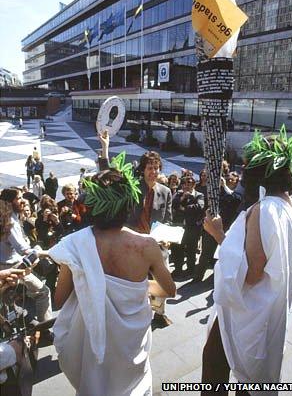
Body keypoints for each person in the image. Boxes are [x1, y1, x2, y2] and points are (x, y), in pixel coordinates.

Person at [48, 147, 176, 396]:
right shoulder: (147, 245)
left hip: (92, 341)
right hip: (132, 341)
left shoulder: (76, 245)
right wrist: (142, 286)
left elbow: (59, 299)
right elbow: (169, 290)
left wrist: (87, 279)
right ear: (129, 203)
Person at [200, 126, 292, 394]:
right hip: (270, 306)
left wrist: (219, 235)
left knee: (215, 367)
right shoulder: (290, 204)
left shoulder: (262, 209)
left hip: (247, 310)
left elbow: (252, 272)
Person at [127, 150, 173, 327]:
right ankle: (138, 312)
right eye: (149, 168)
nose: (153, 171)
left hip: (157, 245)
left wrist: (167, 237)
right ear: (143, 169)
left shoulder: (166, 191)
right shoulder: (134, 188)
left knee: (162, 281)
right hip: (135, 245)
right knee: (137, 282)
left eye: (156, 167)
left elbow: (168, 219)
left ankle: (159, 314)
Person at [0, 188, 52, 324]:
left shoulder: (7, 216)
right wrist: (48, 253)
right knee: (43, 292)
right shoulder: (9, 220)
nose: (23, 201)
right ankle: (44, 328)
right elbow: (23, 249)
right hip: (14, 266)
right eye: (19, 198)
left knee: (7, 301)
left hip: (5, 264)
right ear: (10, 202)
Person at [171, 176, 205, 276]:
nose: (187, 185)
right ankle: (178, 269)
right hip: (179, 226)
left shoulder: (199, 195)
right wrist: (183, 198)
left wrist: (184, 208)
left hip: (192, 227)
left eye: (190, 183)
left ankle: (190, 269)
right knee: (178, 249)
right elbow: (173, 204)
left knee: (191, 249)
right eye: (185, 183)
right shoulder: (178, 193)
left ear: (194, 184)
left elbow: (199, 207)